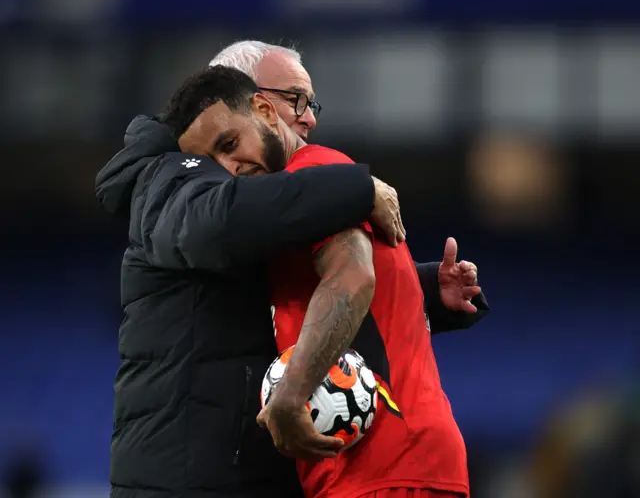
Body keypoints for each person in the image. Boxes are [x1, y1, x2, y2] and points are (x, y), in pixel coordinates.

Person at [165, 65, 474, 498]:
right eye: (214, 163)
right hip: (374, 471)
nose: (229, 168)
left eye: (231, 144)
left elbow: (353, 275)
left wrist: (291, 395)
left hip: (389, 468)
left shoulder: (316, 175)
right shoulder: (290, 204)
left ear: (263, 109)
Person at [96, 93, 405, 497]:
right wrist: (356, 189)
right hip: (183, 483)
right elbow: (221, 221)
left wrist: (426, 292)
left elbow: (290, 291)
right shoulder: (169, 175)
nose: (230, 167)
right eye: (218, 154)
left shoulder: (246, 215)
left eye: (230, 145)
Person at [210, 40, 489, 334]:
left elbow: (329, 279)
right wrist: (356, 187)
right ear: (248, 101)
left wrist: (423, 288)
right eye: (295, 99)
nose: (310, 119)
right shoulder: (183, 184)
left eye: (310, 103)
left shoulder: (314, 182)